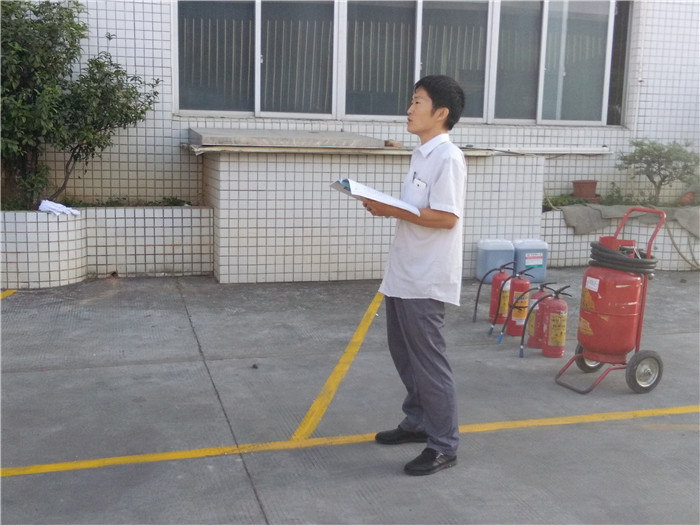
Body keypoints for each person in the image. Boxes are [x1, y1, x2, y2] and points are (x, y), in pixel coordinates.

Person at [362, 75, 466, 476]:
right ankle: (419, 421)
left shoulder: (447, 158)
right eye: (411, 101)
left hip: (426, 277)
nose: (409, 109)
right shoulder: (421, 155)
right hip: (404, 273)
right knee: (404, 354)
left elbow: (446, 217)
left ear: (440, 113)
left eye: (417, 102)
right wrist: (387, 205)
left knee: (428, 363)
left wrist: (390, 208)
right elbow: (418, 211)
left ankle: (443, 446)